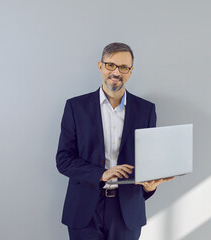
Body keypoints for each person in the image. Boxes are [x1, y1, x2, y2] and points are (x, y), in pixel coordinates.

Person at [56, 42, 172, 240]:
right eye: (111, 65)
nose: (116, 72)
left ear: (131, 71)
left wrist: (149, 187)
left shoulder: (146, 110)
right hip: (84, 209)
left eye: (124, 67)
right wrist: (102, 174)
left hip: (127, 210)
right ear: (101, 66)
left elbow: (147, 161)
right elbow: (64, 160)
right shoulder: (76, 107)